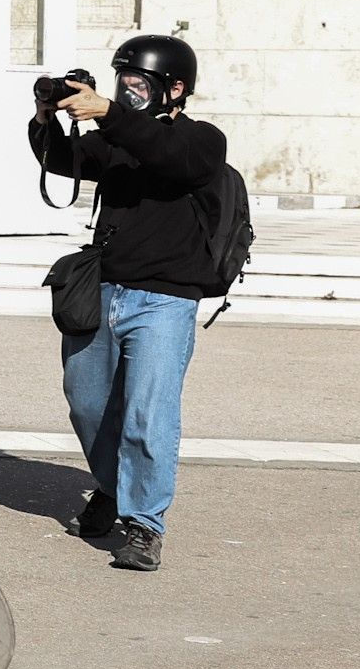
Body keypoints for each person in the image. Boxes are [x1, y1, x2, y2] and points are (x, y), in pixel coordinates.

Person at [32, 35, 230, 574]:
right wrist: (46, 115)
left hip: (165, 300)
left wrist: (110, 114)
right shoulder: (116, 139)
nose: (128, 92)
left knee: (148, 413)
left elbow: (171, 160)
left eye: (139, 84)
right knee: (87, 402)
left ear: (176, 89)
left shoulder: (203, 141)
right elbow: (62, 159)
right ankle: (112, 488)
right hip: (102, 292)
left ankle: (144, 524)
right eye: (123, 83)